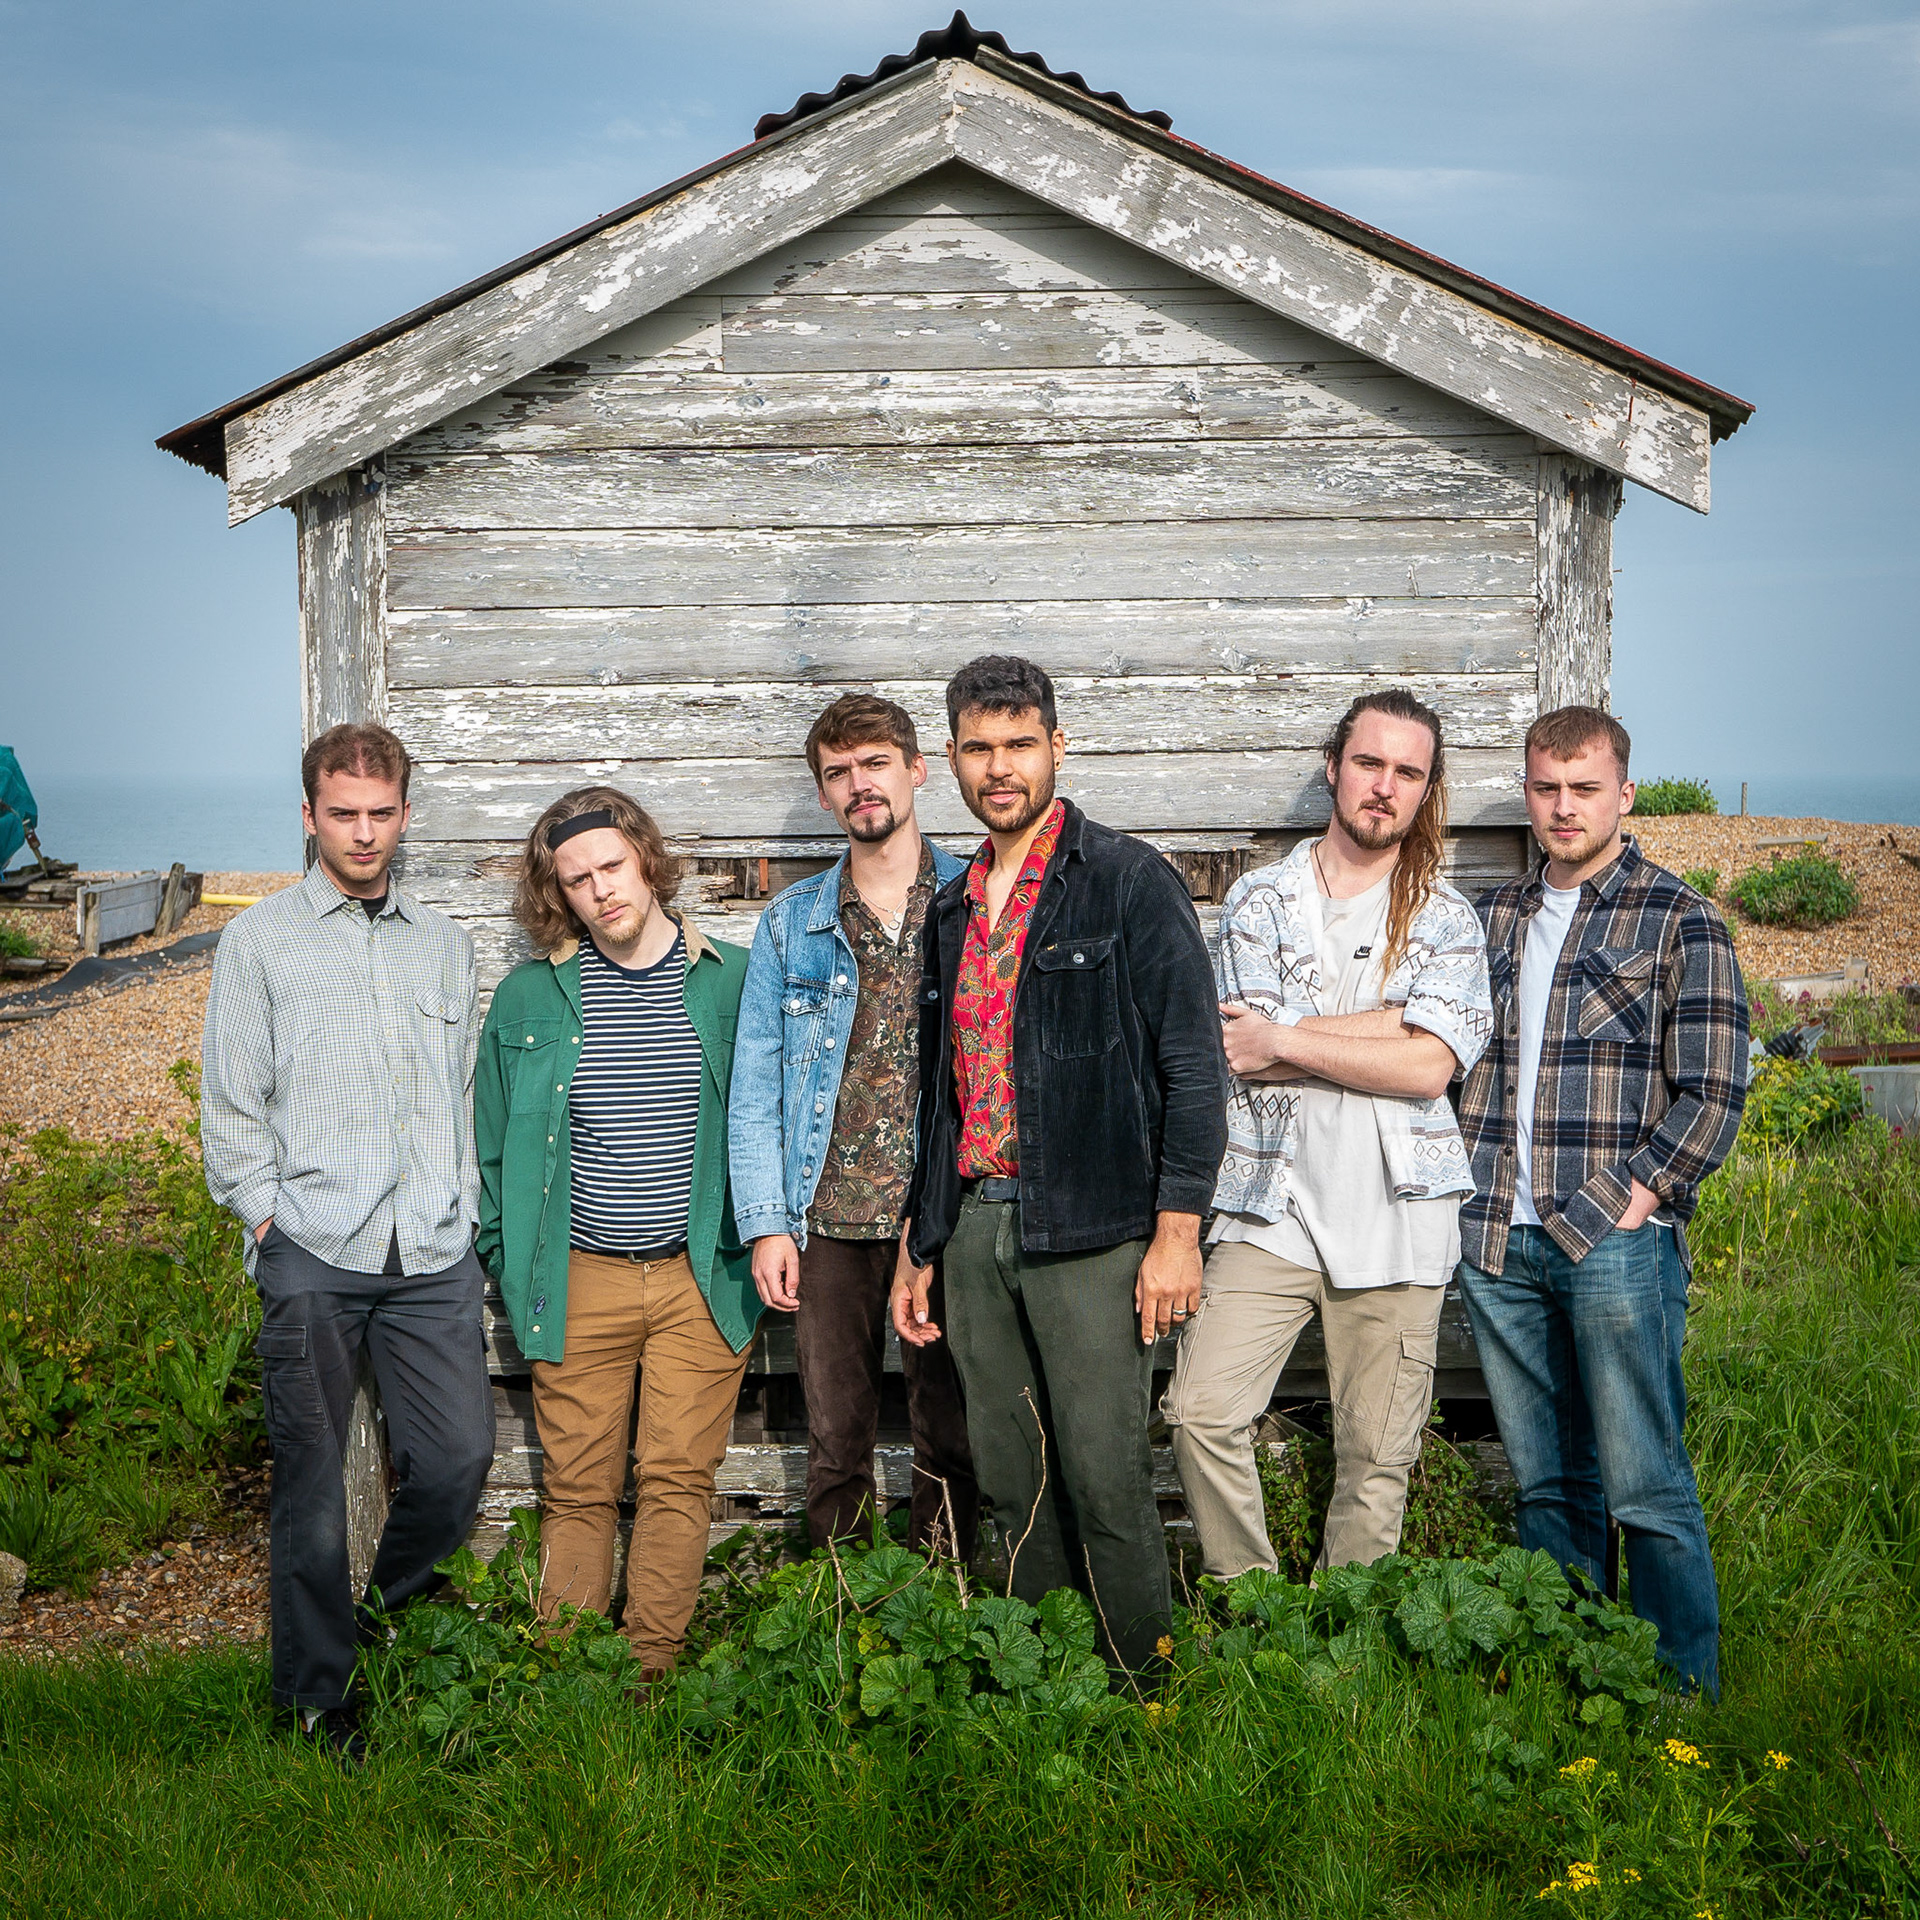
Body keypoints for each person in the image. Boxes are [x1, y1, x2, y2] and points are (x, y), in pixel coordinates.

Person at [893, 655, 1227, 1671]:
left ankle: (1145, 1687)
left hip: (1093, 1229)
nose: (1001, 768)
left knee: (1104, 1474)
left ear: (1057, 747)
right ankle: (1044, 1678)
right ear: (951, 758)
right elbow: (945, 1096)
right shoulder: (951, 909)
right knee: (1012, 1473)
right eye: (980, 748)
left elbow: (1194, 1065)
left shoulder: (1126, 880)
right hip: (980, 1223)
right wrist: (923, 1239)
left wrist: (1177, 1232)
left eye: (1020, 745)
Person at [201, 722, 493, 1759]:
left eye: (381, 813)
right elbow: (234, 1103)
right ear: (310, 815)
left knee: (458, 1458)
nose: (363, 834)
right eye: (343, 814)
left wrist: (464, 1206)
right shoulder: (262, 940)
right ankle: (318, 1700)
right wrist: (268, 1220)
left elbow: (459, 1094)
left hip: (431, 1250)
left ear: (405, 813)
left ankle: (384, 1626)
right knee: (313, 1488)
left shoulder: (444, 944)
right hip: (314, 1247)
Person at [1163, 690, 1493, 1575]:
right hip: (1271, 1204)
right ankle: (1255, 1605)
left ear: (1427, 792)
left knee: (1379, 1456)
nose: (1384, 787)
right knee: (1201, 1411)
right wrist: (1395, 1021)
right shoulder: (1261, 898)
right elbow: (1244, 1047)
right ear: (1333, 769)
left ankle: (1344, 1636)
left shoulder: (1447, 916)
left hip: (1401, 1214)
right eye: (1369, 763)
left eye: (1408, 773)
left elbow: (1432, 1067)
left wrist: (1293, 1037)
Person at [1455, 705, 1747, 1697]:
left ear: (1623, 794)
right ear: (1528, 792)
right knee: (1547, 1485)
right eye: (1546, 788)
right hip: (1499, 1237)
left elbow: (1715, 1088)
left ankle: (1677, 1698)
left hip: (1612, 1241)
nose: (1563, 807)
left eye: (1585, 789)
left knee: (1645, 1486)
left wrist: (1643, 1191)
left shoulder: (1681, 918)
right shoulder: (1493, 919)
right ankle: (1574, 1677)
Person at [473, 787, 759, 1686]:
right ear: (557, 894)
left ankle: (649, 1674)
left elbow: (773, 1117)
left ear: (645, 861)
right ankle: (568, 1675)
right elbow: (489, 1148)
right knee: (579, 1487)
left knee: (678, 1480)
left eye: (611, 867)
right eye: (577, 879)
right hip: (579, 1277)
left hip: (699, 1277)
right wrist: (509, 1259)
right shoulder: (529, 997)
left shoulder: (733, 979)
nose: (601, 890)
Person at [731, 695, 979, 1557]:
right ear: (826, 796)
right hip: (828, 1214)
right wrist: (767, 1222)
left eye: (874, 764)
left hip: (945, 1214)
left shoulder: (974, 901)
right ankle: (837, 1612)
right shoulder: (792, 924)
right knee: (836, 1437)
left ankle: (944, 1606)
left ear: (917, 769)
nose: (858, 785)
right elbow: (755, 1084)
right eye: (838, 773)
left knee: (949, 1429)